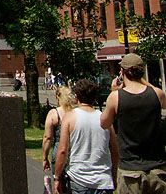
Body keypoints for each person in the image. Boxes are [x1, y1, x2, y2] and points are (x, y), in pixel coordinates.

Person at [100, 52, 166, 193]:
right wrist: (142, 80)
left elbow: (104, 123)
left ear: (123, 72)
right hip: (157, 167)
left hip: (130, 170)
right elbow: (160, 96)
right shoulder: (157, 94)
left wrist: (114, 93)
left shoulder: (116, 97)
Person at [54, 79, 118, 194]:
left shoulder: (69, 118)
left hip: (79, 179)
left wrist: (57, 176)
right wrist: (114, 175)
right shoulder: (104, 119)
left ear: (76, 97)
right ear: (94, 98)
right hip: (103, 180)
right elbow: (115, 150)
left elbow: (62, 150)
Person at [43, 86, 76, 187]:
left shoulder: (54, 114)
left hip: (58, 151)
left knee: (59, 185)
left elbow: (47, 137)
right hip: (74, 151)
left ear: (58, 98)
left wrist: (45, 157)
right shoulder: (75, 113)